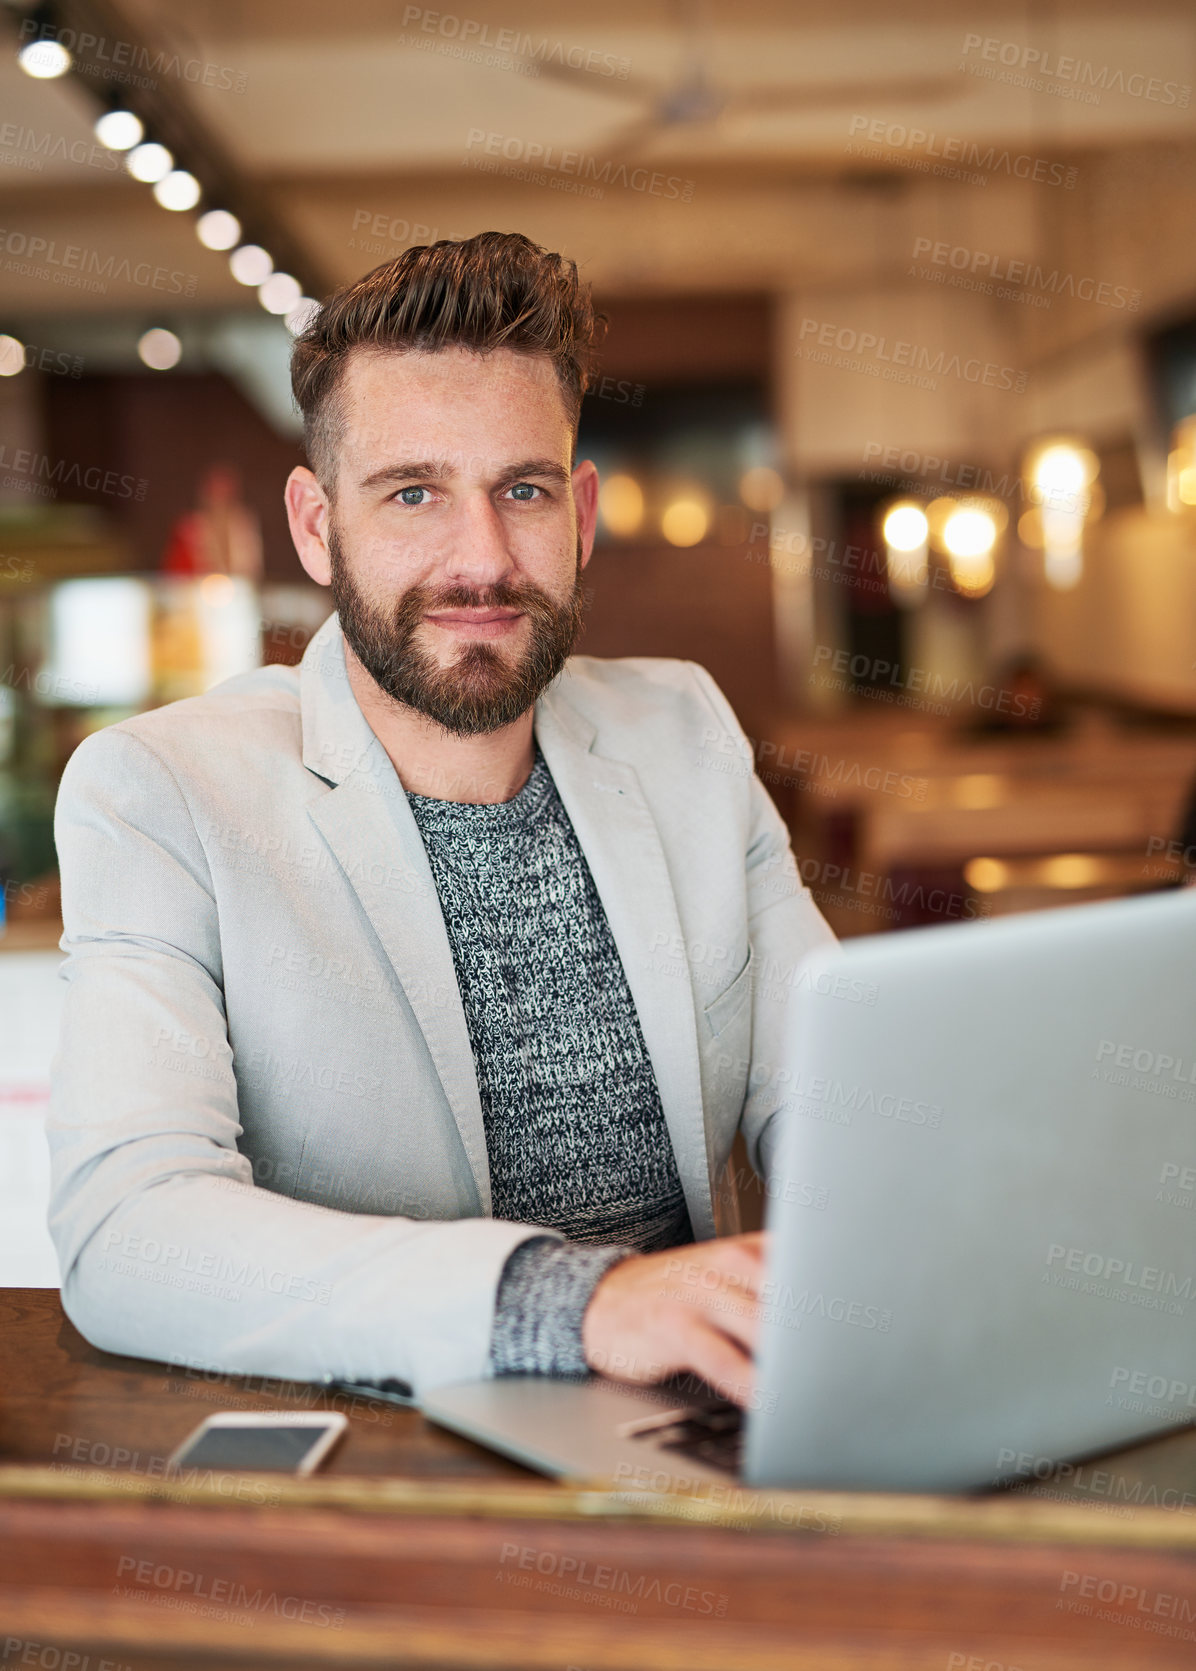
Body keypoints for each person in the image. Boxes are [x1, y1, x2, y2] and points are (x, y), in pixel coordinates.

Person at [46, 232, 835, 1406]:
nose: (483, 560)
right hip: (390, 1460)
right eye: (412, 493)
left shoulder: (683, 728)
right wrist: (575, 1303)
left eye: (520, 490)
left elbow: (832, 1092)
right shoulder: (162, 793)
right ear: (316, 526)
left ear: (577, 512)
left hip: (697, 1436)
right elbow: (128, 1234)